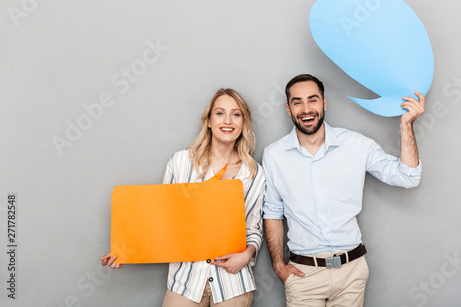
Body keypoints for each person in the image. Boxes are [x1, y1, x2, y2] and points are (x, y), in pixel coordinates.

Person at [263, 74, 425, 307]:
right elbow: (273, 213)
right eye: (297, 102)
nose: (306, 109)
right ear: (288, 109)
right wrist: (278, 266)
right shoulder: (274, 155)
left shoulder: (357, 145)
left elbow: (408, 177)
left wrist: (406, 124)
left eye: (313, 100)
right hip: (303, 276)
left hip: (352, 273)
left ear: (324, 103)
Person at [101, 88, 265, 307]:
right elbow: (162, 219)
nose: (228, 120)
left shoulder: (253, 173)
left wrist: (247, 255)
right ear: (208, 121)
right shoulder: (181, 162)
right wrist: (127, 251)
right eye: (220, 113)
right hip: (186, 282)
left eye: (236, 114)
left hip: (233, 282)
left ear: (244, 123)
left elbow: (253, 228)